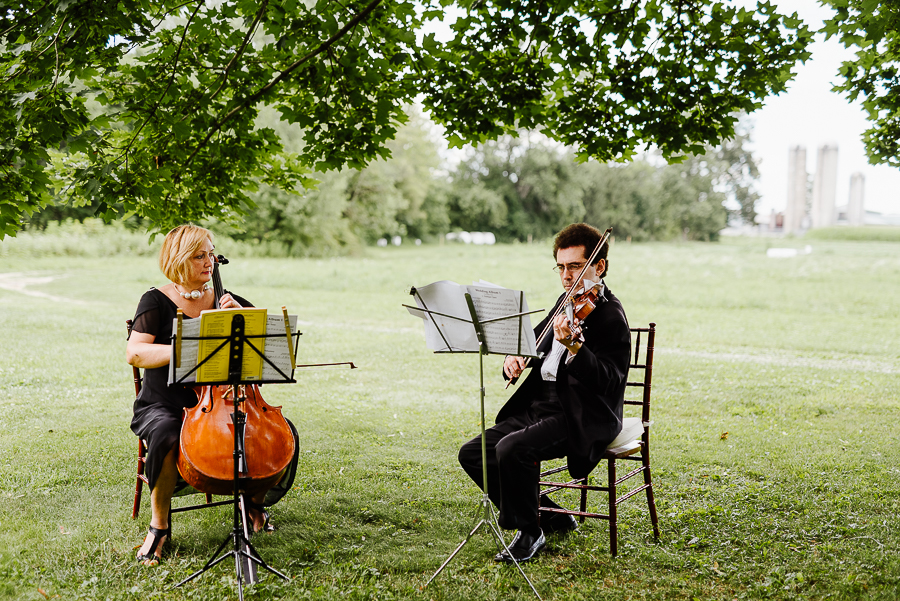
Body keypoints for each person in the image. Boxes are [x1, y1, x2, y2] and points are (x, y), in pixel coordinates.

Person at [458, 223, 631, 563]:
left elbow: (610, 381)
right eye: (561, 267)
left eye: (575, 266)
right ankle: (549, 516)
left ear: (599, 266)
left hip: (580, 413)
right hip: (541, 406)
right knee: (473, 453)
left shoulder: (611, 316)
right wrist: (516, 355)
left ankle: (529, 532)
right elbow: (532, 342)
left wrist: (577, 349)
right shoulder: (564, 302)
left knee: (512, 449)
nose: (566, 276)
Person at [126, 224, 298, 565]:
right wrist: (188, 351)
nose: (211, 262)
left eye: (212, 254)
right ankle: (159, 525)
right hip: (165, 403)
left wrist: (241, 315)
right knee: (164, 432)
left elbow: (266, 344)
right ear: (179, 260)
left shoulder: (224, 299)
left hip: (222, 403)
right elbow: (136, 353)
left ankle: (253, 502)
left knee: (278, 433)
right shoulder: (155, 300)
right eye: (201, 255)